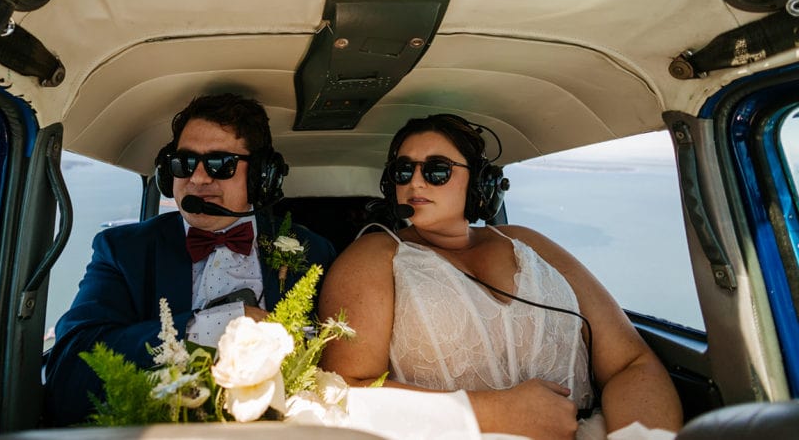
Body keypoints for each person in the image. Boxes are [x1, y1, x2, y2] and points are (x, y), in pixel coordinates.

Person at [318, 114, 683, 439]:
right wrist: (493, 414)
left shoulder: (529, 242)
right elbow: (342, 390)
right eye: (403, 170)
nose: (416, 181)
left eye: (437, 169)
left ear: (478, 183)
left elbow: (631, 363)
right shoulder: (373, 256)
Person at [44, 93, 337, 426]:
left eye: (219, 163)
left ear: (259, 176)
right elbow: (68, 374)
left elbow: (336, 357)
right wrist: (212, 326)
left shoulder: (313, 250)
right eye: (184, 163)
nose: (197, 178)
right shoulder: (124, 250)